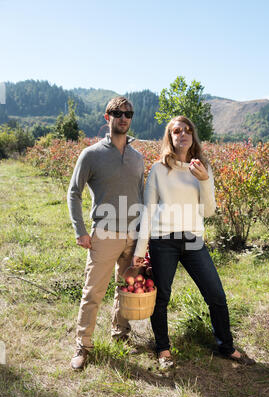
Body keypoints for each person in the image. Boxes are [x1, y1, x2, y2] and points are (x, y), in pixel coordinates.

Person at [133, 116, 255, 368]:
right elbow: (147, 210)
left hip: (192, 240)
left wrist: (204, 180)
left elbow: (209, 211)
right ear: (170, 137)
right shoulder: (158, 169)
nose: (183, 134)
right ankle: (163, 348)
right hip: (163, 240)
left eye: (187, 130)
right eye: (177, 131)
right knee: (162, 296)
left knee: (216, 294)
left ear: (193, 137)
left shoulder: (201, 168)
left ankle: (226, 346)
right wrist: (139, 248)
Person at [67, 96, 144, 370]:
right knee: (93, 291)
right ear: (106, 117)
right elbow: (73, 193)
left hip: (132, 234)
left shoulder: (138, 158)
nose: (123, 117)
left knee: (126, 287)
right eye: (117, 113)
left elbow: (142, 197)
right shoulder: (91, 155)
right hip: (104, 233)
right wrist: (81, 230)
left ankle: (120, 333)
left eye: (128, 113)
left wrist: (142, 238)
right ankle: (83, 345)